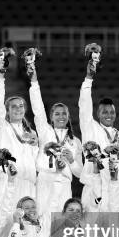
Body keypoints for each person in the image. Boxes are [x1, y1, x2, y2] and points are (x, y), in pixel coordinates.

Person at [78, 60, 119, 212]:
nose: (109, 115)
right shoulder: (91, 128)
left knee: (114, 233)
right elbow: (84, 106)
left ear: (115, 114)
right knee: (91, 233)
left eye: (112, 112)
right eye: (104, 112)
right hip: (94, 187)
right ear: (98, 114)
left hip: (116, 189)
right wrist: (88, 79)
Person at [28, 66, 83, 214]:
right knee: (42, 221)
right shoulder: (45, 131)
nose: (61, 117)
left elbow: (80, 173)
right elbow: (38, 109)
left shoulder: (75, 141)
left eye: (64, 114)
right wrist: (34, 82)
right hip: (46, 180)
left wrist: (72, 161)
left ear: (68, 117)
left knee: (62, 225)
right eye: (57, 114)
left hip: (65, 184)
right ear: (51, 117)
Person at [0, 59, 39, 213]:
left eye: (21, 106)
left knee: (29, 227)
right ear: (7, 110)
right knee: (6, 226)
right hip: (9, 181)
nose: (18, 109)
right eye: (14, 106)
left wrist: (36, 145)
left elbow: (36, 160)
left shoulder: (31, 133)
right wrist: (0, 79)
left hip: (30, 184)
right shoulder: (2, 128)